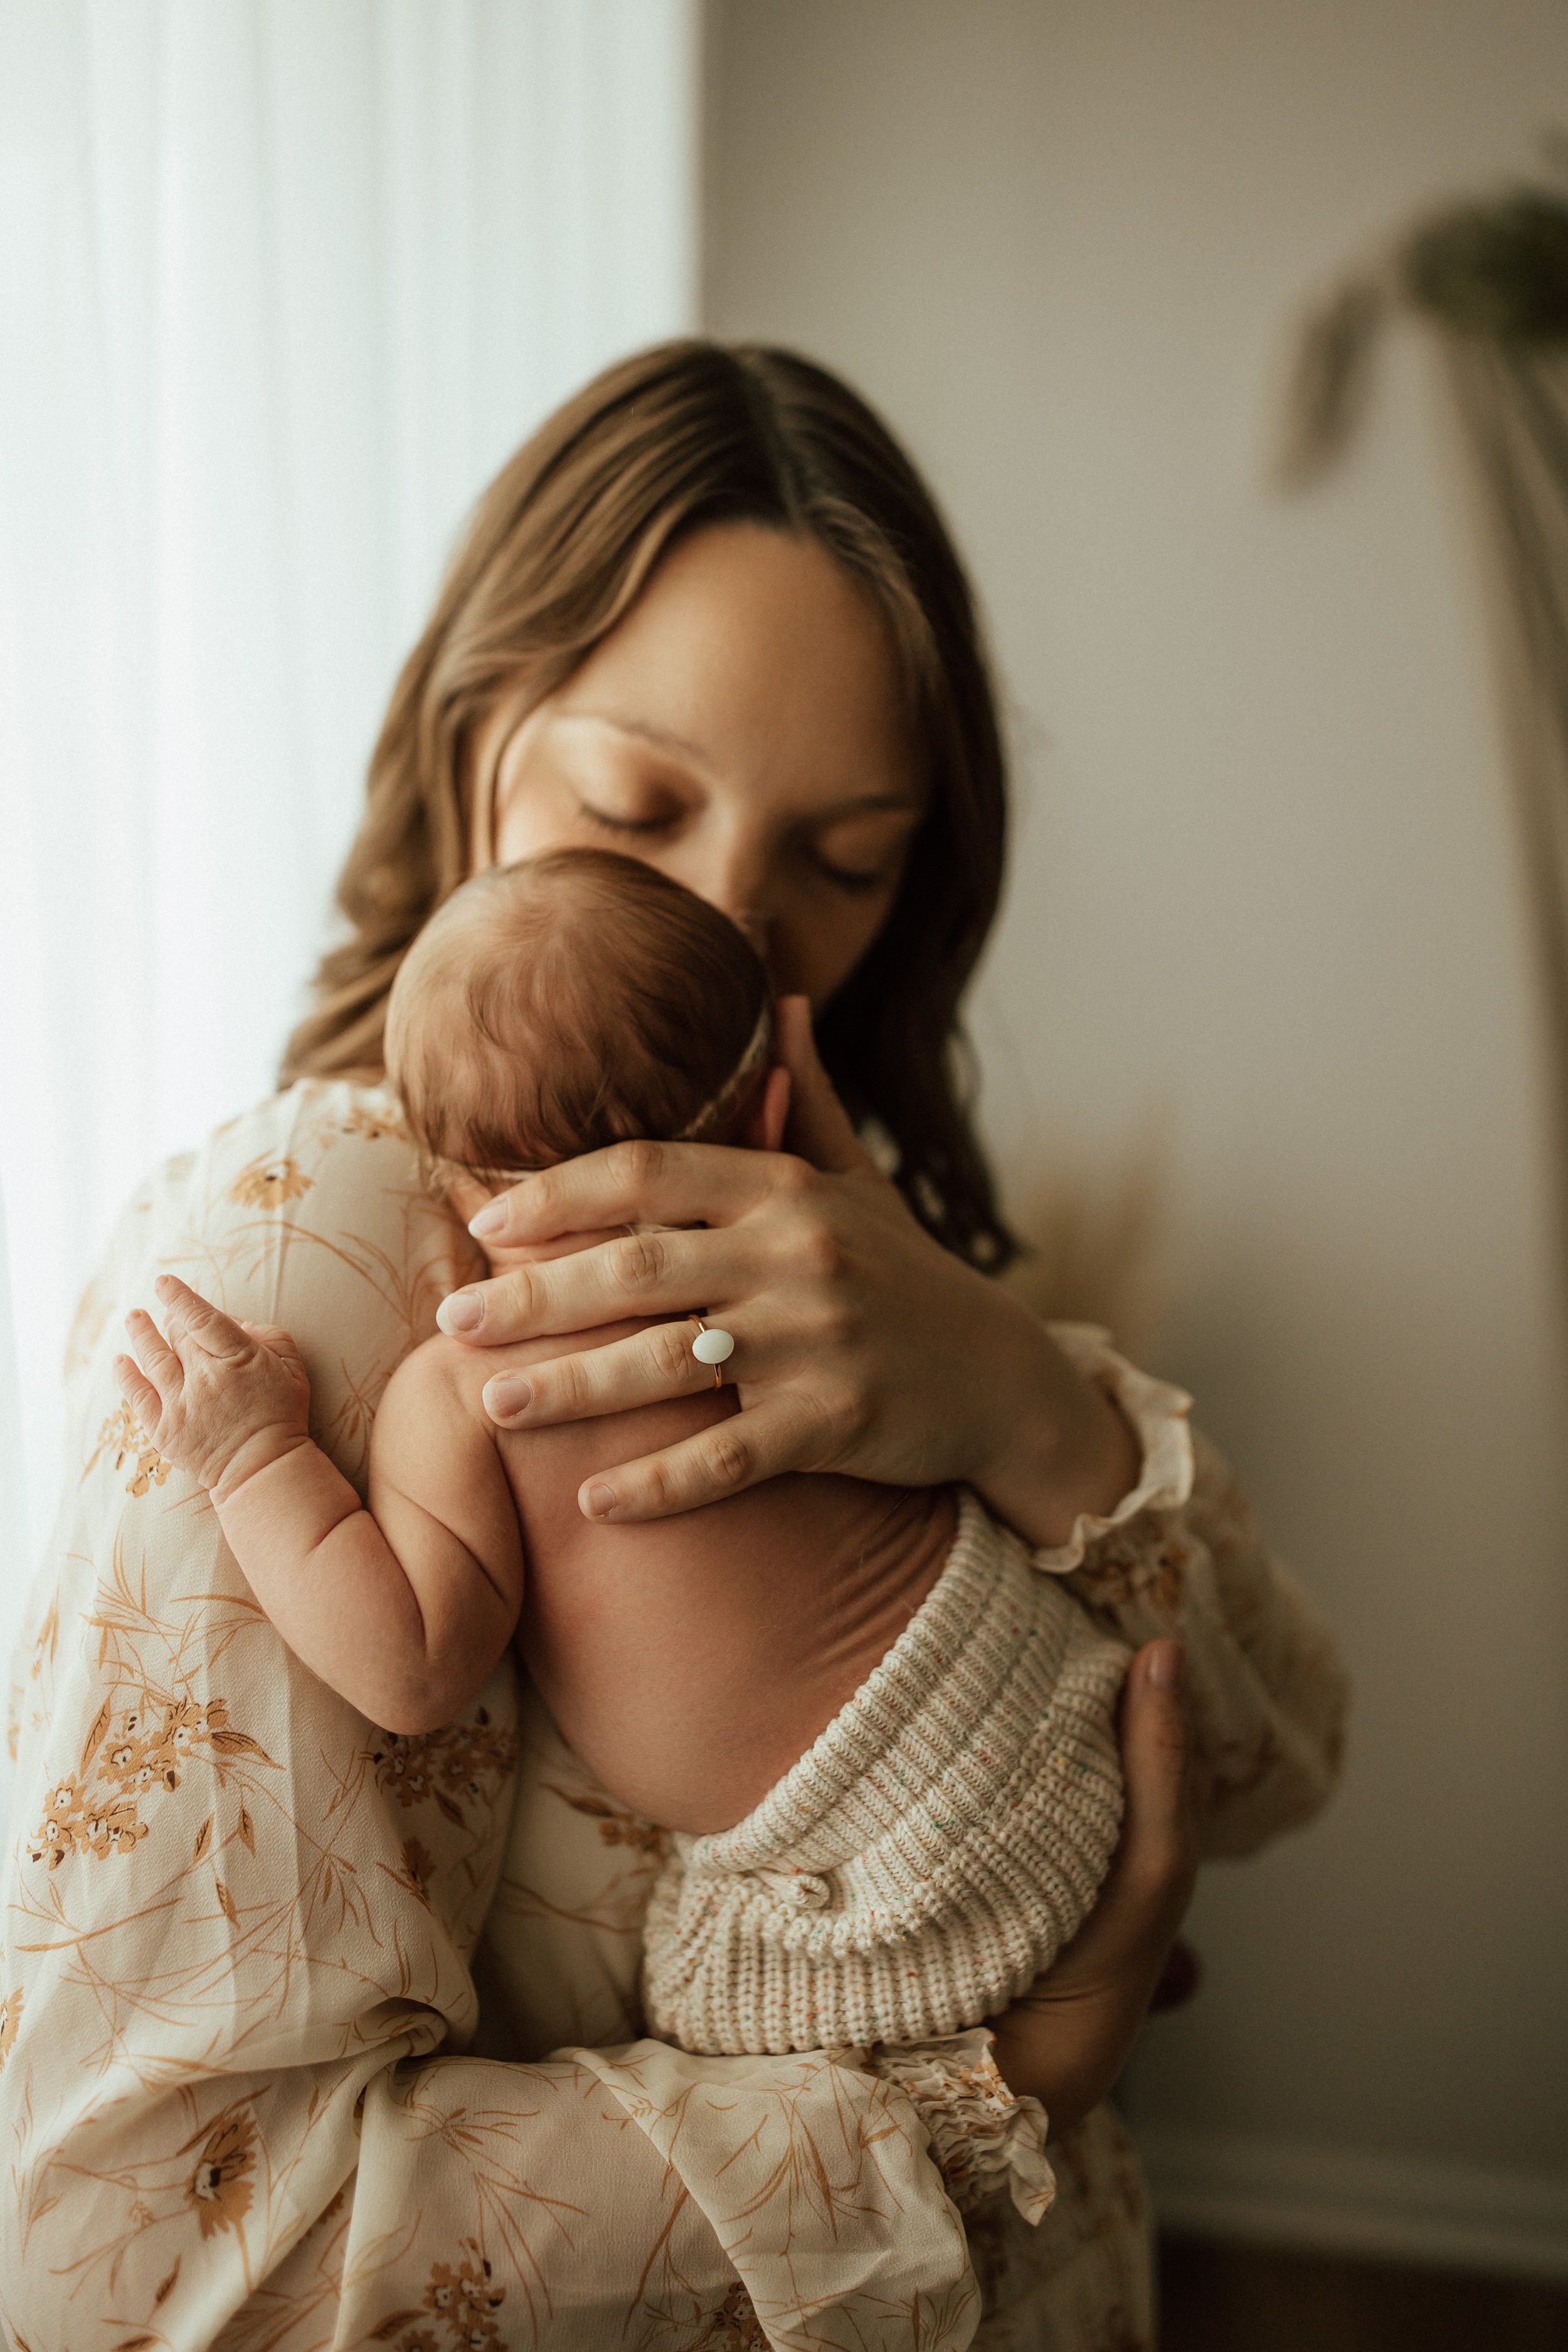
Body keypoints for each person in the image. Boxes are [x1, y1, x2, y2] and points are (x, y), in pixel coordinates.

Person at [0, 341, 1346, 2351]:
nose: (741, 926)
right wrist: (990, 2109)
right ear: (478, 746)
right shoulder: (313, 1269)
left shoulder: (850, 1221)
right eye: (637, 803)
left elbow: (1266, 1765)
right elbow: (145, 2269)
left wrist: (1019, 1393)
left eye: (847, 857)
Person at [115, 845, 1134, 2062]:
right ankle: (1103, 1961)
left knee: (714, 2031)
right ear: (769, 1117)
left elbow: (411, 1668)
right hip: (1055, 1706)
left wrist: (250, 1461)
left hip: (868, 1870)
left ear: (442, 1185)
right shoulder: (828, 1289)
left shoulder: (474, 1386)